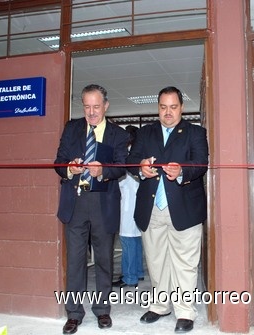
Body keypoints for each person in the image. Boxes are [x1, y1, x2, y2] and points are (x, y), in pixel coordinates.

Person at [126, 86, 209, 333]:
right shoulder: (145, 133)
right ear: (158, 108)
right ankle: (160, 305)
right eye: (163, 107)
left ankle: (185, 311)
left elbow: (201, 163)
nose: (168, 112)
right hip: (151, 207)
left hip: (184, 208)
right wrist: (140, 167)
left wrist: (182, 171)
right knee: (156, 260)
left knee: (185, 263)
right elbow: (130, 162)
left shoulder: (195, 132)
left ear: (181, 108)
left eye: (173, 107)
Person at [54, 84, 129, 334]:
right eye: (87, 106)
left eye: (96, 107)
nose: (92, 112)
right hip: (75, 202)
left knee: (105, 260)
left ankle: (102, 310)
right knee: (75, 260)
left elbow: (121, 167)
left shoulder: (118, 134)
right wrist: (70, 167)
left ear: (106, 106)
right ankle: (73, 313)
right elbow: (58, 162)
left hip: (102, 203)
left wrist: (103, 170)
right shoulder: (72, 128)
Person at [113, 125, 145, 288]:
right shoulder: (138, 155)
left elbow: (120, 182)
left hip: (127, 207)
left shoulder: (126, 157)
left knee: (127, 241)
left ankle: (129, 277)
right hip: (136, 205)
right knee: (136, 241)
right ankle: (138, 272)